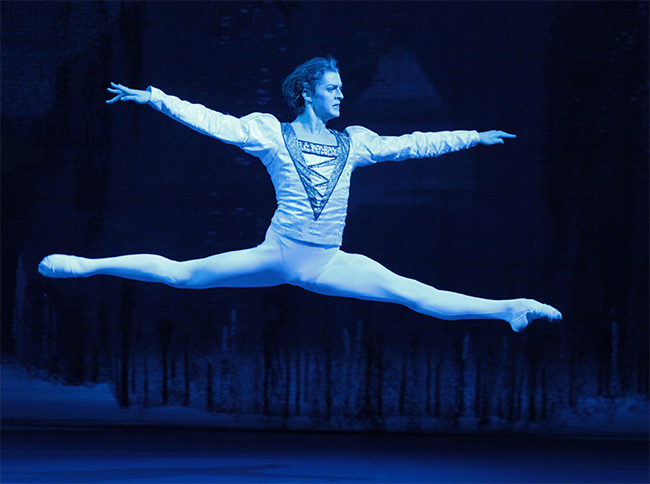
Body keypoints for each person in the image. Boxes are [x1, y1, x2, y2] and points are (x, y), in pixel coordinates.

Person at [38, 56, 561, 332]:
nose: (341, 94)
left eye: (340, 88)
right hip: (280, 254)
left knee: (413, 294)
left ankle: (510, 308)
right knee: (181, 274)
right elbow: (215, 122)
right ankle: (86, 265)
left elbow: (413, 144)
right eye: (332, 87)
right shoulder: (270, 132)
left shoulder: (354, 142)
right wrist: (157, 99)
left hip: (328, 261)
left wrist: (471, 137)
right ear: (308, 91)